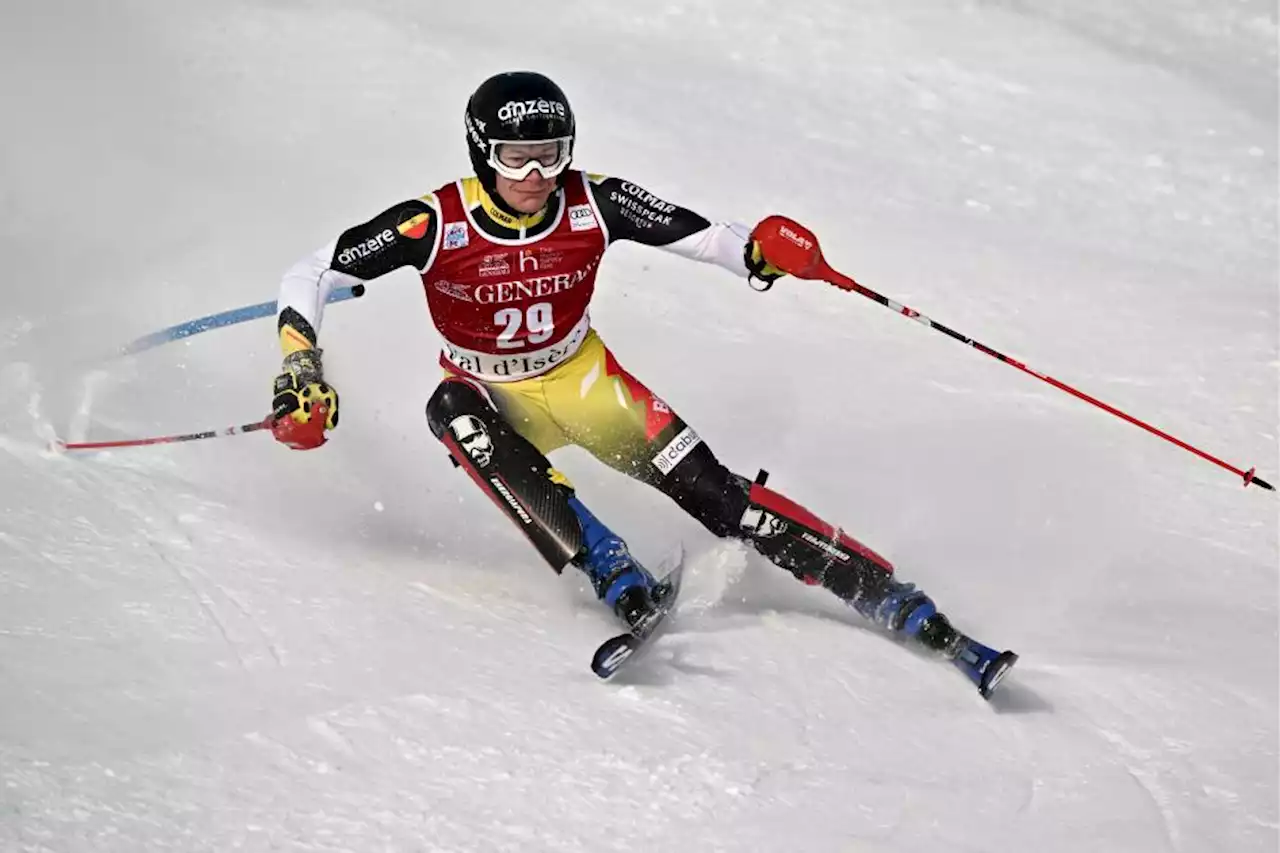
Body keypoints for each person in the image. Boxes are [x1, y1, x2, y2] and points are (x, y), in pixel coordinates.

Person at [270, 71, 1011, 689]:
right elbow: (310, 271)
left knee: (720, 498)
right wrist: (300, 365)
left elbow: (708, 237)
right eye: (516, 157)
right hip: (492, 396)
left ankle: (889, 594)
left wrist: (759, 257)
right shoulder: (433, 222)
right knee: (450, 408)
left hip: (584, 384)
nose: (536, 176)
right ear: (480, 150)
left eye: (550, 154)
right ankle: (610, 566)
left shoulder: (596, 200)